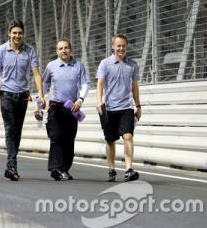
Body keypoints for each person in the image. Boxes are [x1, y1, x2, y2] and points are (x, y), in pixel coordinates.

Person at [0, 20, 45, 181]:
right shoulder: (1, 50)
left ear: (23, 34)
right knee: (10, 128)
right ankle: (11, 165)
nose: (17, 36)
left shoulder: (29, 51)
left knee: (17, 130)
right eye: (14, 33)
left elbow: (36, 73)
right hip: (6, 95)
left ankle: (12, 163)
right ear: (9, 34)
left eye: (20, 33)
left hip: (22, 96)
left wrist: (41, 95)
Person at [96, 34, 141, 182]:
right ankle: (111, 169)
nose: (121, 48)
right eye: (118, 45)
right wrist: (99, 102)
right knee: (110, 140)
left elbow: (134, 86)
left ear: (126, 47)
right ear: (113, 46)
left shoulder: (132, 65)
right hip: (109, 108)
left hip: (126, 107)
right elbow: (100, 84)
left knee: (128, 136)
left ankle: (128, 169)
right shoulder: (105, 64)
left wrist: (138, 105)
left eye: (123, 46)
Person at [42, 39, 89, 180]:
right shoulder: (51, 66)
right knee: (56, 137)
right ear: (57, 51)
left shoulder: (78, 66)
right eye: (61, 48)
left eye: (66, 48)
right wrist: (40, 102)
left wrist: (81, 99)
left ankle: (65, 168)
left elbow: (85, 84)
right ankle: (55, 168)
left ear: (71, 50)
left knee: (69, 140)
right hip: (55, 107)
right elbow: (44, 85)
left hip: (72, 108)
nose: (64, 51)